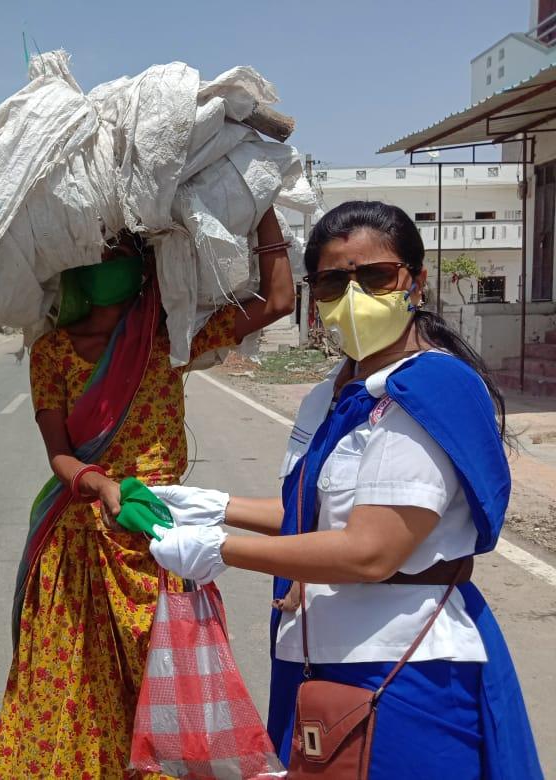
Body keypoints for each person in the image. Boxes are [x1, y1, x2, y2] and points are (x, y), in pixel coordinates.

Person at [148, 201, 542, 779]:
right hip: (318, 659)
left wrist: (220, 548)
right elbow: (316, 515)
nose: (353, 296)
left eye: (376, 276)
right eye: (333, 281)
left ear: (415, 283)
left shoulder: (427, 392)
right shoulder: (334, 393)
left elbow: (369, 550)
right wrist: (217, 506)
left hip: (403, 666)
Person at [0, 210, 296, 779]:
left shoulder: (168, 340)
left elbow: (278, 302)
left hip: (161, 535)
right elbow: (59, 455)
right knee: (79, 687)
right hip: (82, 542)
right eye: (97, 255)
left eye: (121, 255)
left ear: (146, 268)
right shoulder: (52, 351)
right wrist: (101, 484)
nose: (108, 264)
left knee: (167, 683)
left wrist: (263, 206)